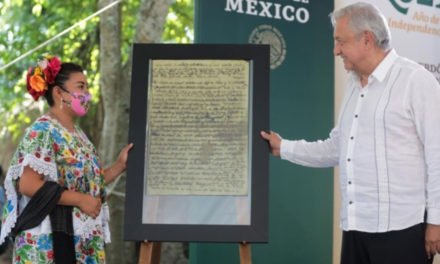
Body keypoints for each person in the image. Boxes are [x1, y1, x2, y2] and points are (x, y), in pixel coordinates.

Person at [261, 2, 440, 264]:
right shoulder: (354, 85)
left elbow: (438, 154)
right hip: (355, 227)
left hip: (403, 231)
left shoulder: (416, 80)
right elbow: (338, 147)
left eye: (340, 41)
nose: (335, 50)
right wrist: (283, 147)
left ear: (366, 39)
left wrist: (436, 220)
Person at [0, 54, 133, 263]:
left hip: (79, 239)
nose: (87, 94)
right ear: (59, 92)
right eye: (81, 87)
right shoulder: (43, 130)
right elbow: (28, 185)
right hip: (49, 244)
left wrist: (119, 166)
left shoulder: (78, 135)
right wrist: (80, 200)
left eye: (87, 87)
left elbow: (87, 185)